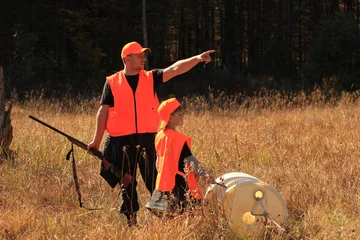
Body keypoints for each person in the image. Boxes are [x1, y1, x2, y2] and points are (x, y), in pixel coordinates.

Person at [87, 41, 215, 226]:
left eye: (144, 55)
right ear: (127, 58)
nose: (143, 58)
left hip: (147, 139)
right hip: (120, 140)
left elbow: (175, 68)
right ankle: (132, 223)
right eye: (139, 55)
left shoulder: (150, 77)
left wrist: (196, 59)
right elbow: (103, 112)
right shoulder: (112, 82)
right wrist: (96, 140)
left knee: (157, 180)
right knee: (127, 183)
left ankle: (171, 218)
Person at [145, 98, 216, 216]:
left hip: (163, 184)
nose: (183, 116)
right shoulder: (179, 139)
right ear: (171, 118)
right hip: (180, 185)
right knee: (187, 216)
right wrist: (206, 176)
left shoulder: (159, 136)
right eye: (179, 114)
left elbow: (158, 162)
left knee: (169, 218)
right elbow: (191, 161)